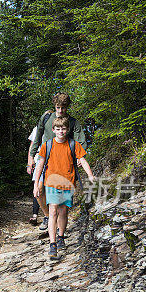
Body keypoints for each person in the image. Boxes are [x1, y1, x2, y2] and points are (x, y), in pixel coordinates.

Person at [32, 116, 95, 261]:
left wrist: (90, 175)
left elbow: (83, 161)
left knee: (63, 212)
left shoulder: (73, 144)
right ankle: (52, 244)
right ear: (53, 130)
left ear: (68, 130)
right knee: (53, 211)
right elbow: (40, 166)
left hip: (68, 184)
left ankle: (61, 237)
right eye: (58, 129)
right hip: (51, 183)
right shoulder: (47, 145)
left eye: (64, 129)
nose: (61, 131)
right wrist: (36, 185)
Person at [28, 93, 88, 231]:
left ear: (67, 107)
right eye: (58, 107)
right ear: (54, 106)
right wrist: (31, 157)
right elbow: (37, 137)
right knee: (38, 191)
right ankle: (48, 216)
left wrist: (79, 157)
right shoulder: (46, 118)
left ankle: (56, 223)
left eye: (63, 108)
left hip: (63, 162)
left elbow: (81, 142)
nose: (60, 111)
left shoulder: (73, 122)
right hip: (44, 158)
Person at [27, 125, 42, 224]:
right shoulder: (37, 129)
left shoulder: (55, 127)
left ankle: (49, 216)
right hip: (38, 158)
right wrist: (29, 163)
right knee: (36, 187)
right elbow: (32, 146)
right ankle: (35, 215)